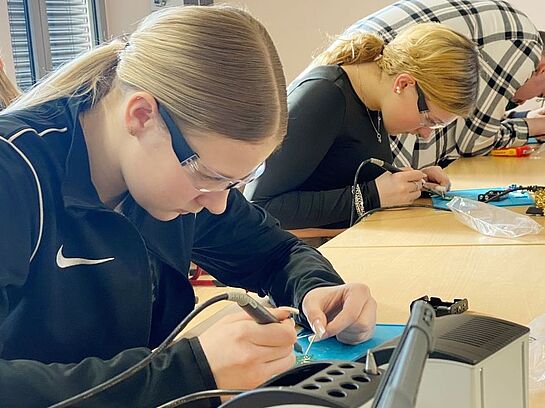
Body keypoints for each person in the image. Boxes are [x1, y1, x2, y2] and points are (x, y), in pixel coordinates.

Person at [0, 6, 377, 407]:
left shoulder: (173, 183)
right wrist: (188, 370)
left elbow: (276, 252)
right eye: (211, 177)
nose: (217, 206)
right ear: (142, 116)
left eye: (234, 184)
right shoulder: (14, 174)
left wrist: (317, 288)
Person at [244, 23, 479, 229]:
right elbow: (260, 207)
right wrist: (372, 196)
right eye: (429, 120)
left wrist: (411, 183)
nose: (426, 134)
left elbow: (338, 176)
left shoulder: (373, 105)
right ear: (404, 84)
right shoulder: (325, 96)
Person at [338, 0, 545, 169]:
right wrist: (533, 127)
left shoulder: (506, 23)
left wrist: (523, 118)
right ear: (542, 69)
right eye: (542, 94)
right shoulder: (526, 45)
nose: (527, 100)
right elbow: (473, 141)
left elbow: (469, 121)